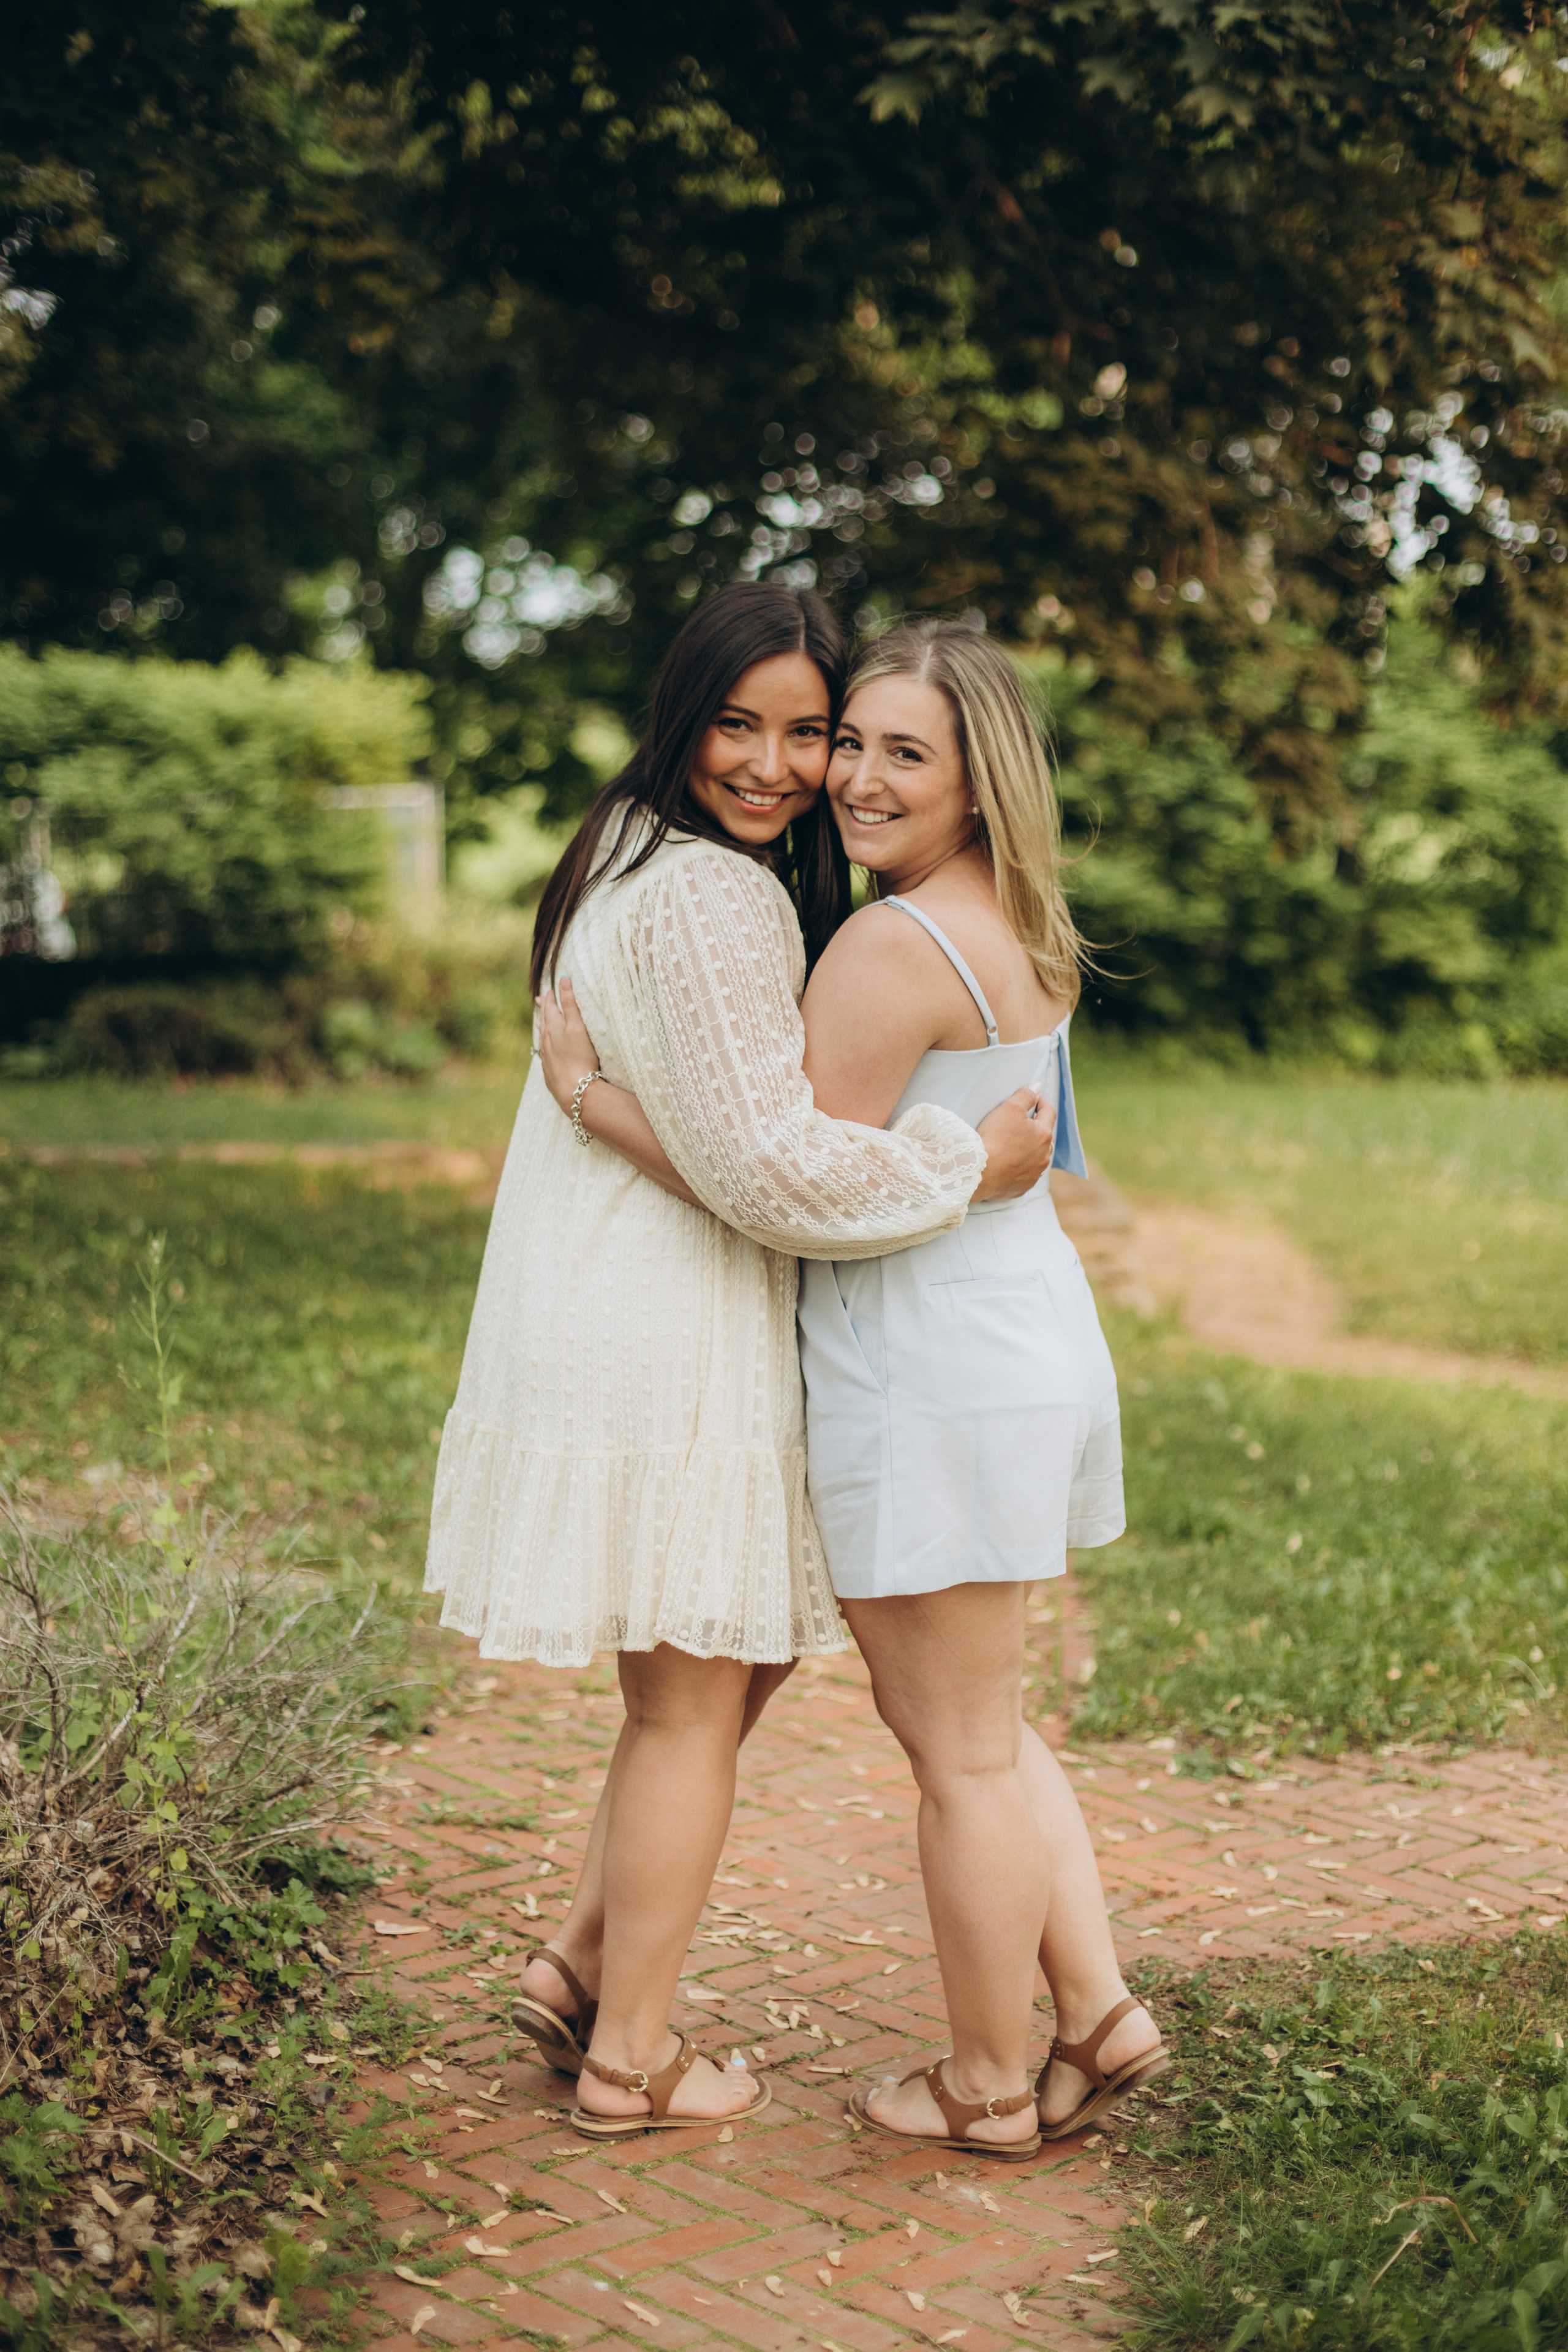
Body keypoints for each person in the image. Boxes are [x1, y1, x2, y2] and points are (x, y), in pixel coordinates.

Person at [426, 584, 1054, 2139]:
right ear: (682, 716)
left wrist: (596, 1104)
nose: (775, 767)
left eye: (805, 731)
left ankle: (581, 1968)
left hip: (616, 1309)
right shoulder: (718, 895)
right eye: (737, 725)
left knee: (717, 1674)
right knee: (686, 1712)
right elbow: (771, 1170)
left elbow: (717, 1139)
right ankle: (630, 2060)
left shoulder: (626, 852)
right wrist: (960, 1166)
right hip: (669, 1331)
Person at [537, 619, 1168, 2158]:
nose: (852, 781)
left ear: (977, 778)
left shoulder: (888, 948)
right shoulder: (1017, 917)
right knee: (975, 1724)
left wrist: (594, 1100)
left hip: (919, 1359)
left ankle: (985, 2087)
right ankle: (1095, 2013)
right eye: (854, 745)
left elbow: (777, 1185)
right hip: (1009, 1334)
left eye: (903, 754)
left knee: (958, 1751)